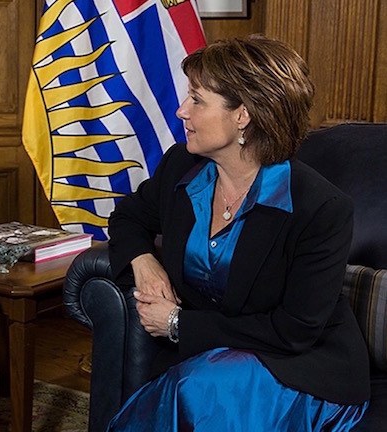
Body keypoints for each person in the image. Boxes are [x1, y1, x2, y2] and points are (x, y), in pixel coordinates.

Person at [107, 35, 370, 431]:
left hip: (295, 366)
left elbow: (293, 330)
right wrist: (144, 263)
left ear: (242, 115)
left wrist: (178, 323)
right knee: (200, 387)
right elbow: (127, 218)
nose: (181, 111)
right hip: (209, 362)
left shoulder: (321, 209)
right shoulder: (182, 165)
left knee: (202, 392)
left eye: (196, 100)